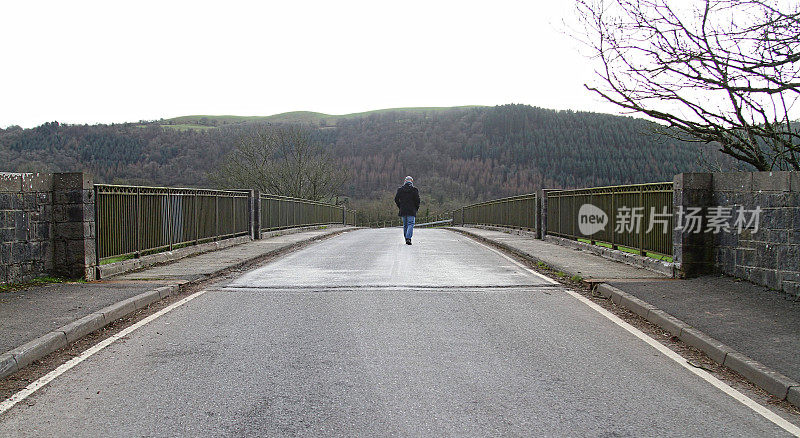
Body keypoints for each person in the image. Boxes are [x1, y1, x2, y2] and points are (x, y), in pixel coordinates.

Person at [394, 175, 420, 245]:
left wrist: (400, 206)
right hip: (411, 210)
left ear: (405, 181)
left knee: (405, 225)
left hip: (403, 210)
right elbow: (417, 200)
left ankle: (406, 238)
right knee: (410, 224)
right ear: (411, 181)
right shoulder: (414, 190)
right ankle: (408, 238)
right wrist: (416, 208)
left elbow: (396, 199)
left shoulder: (400, 190)